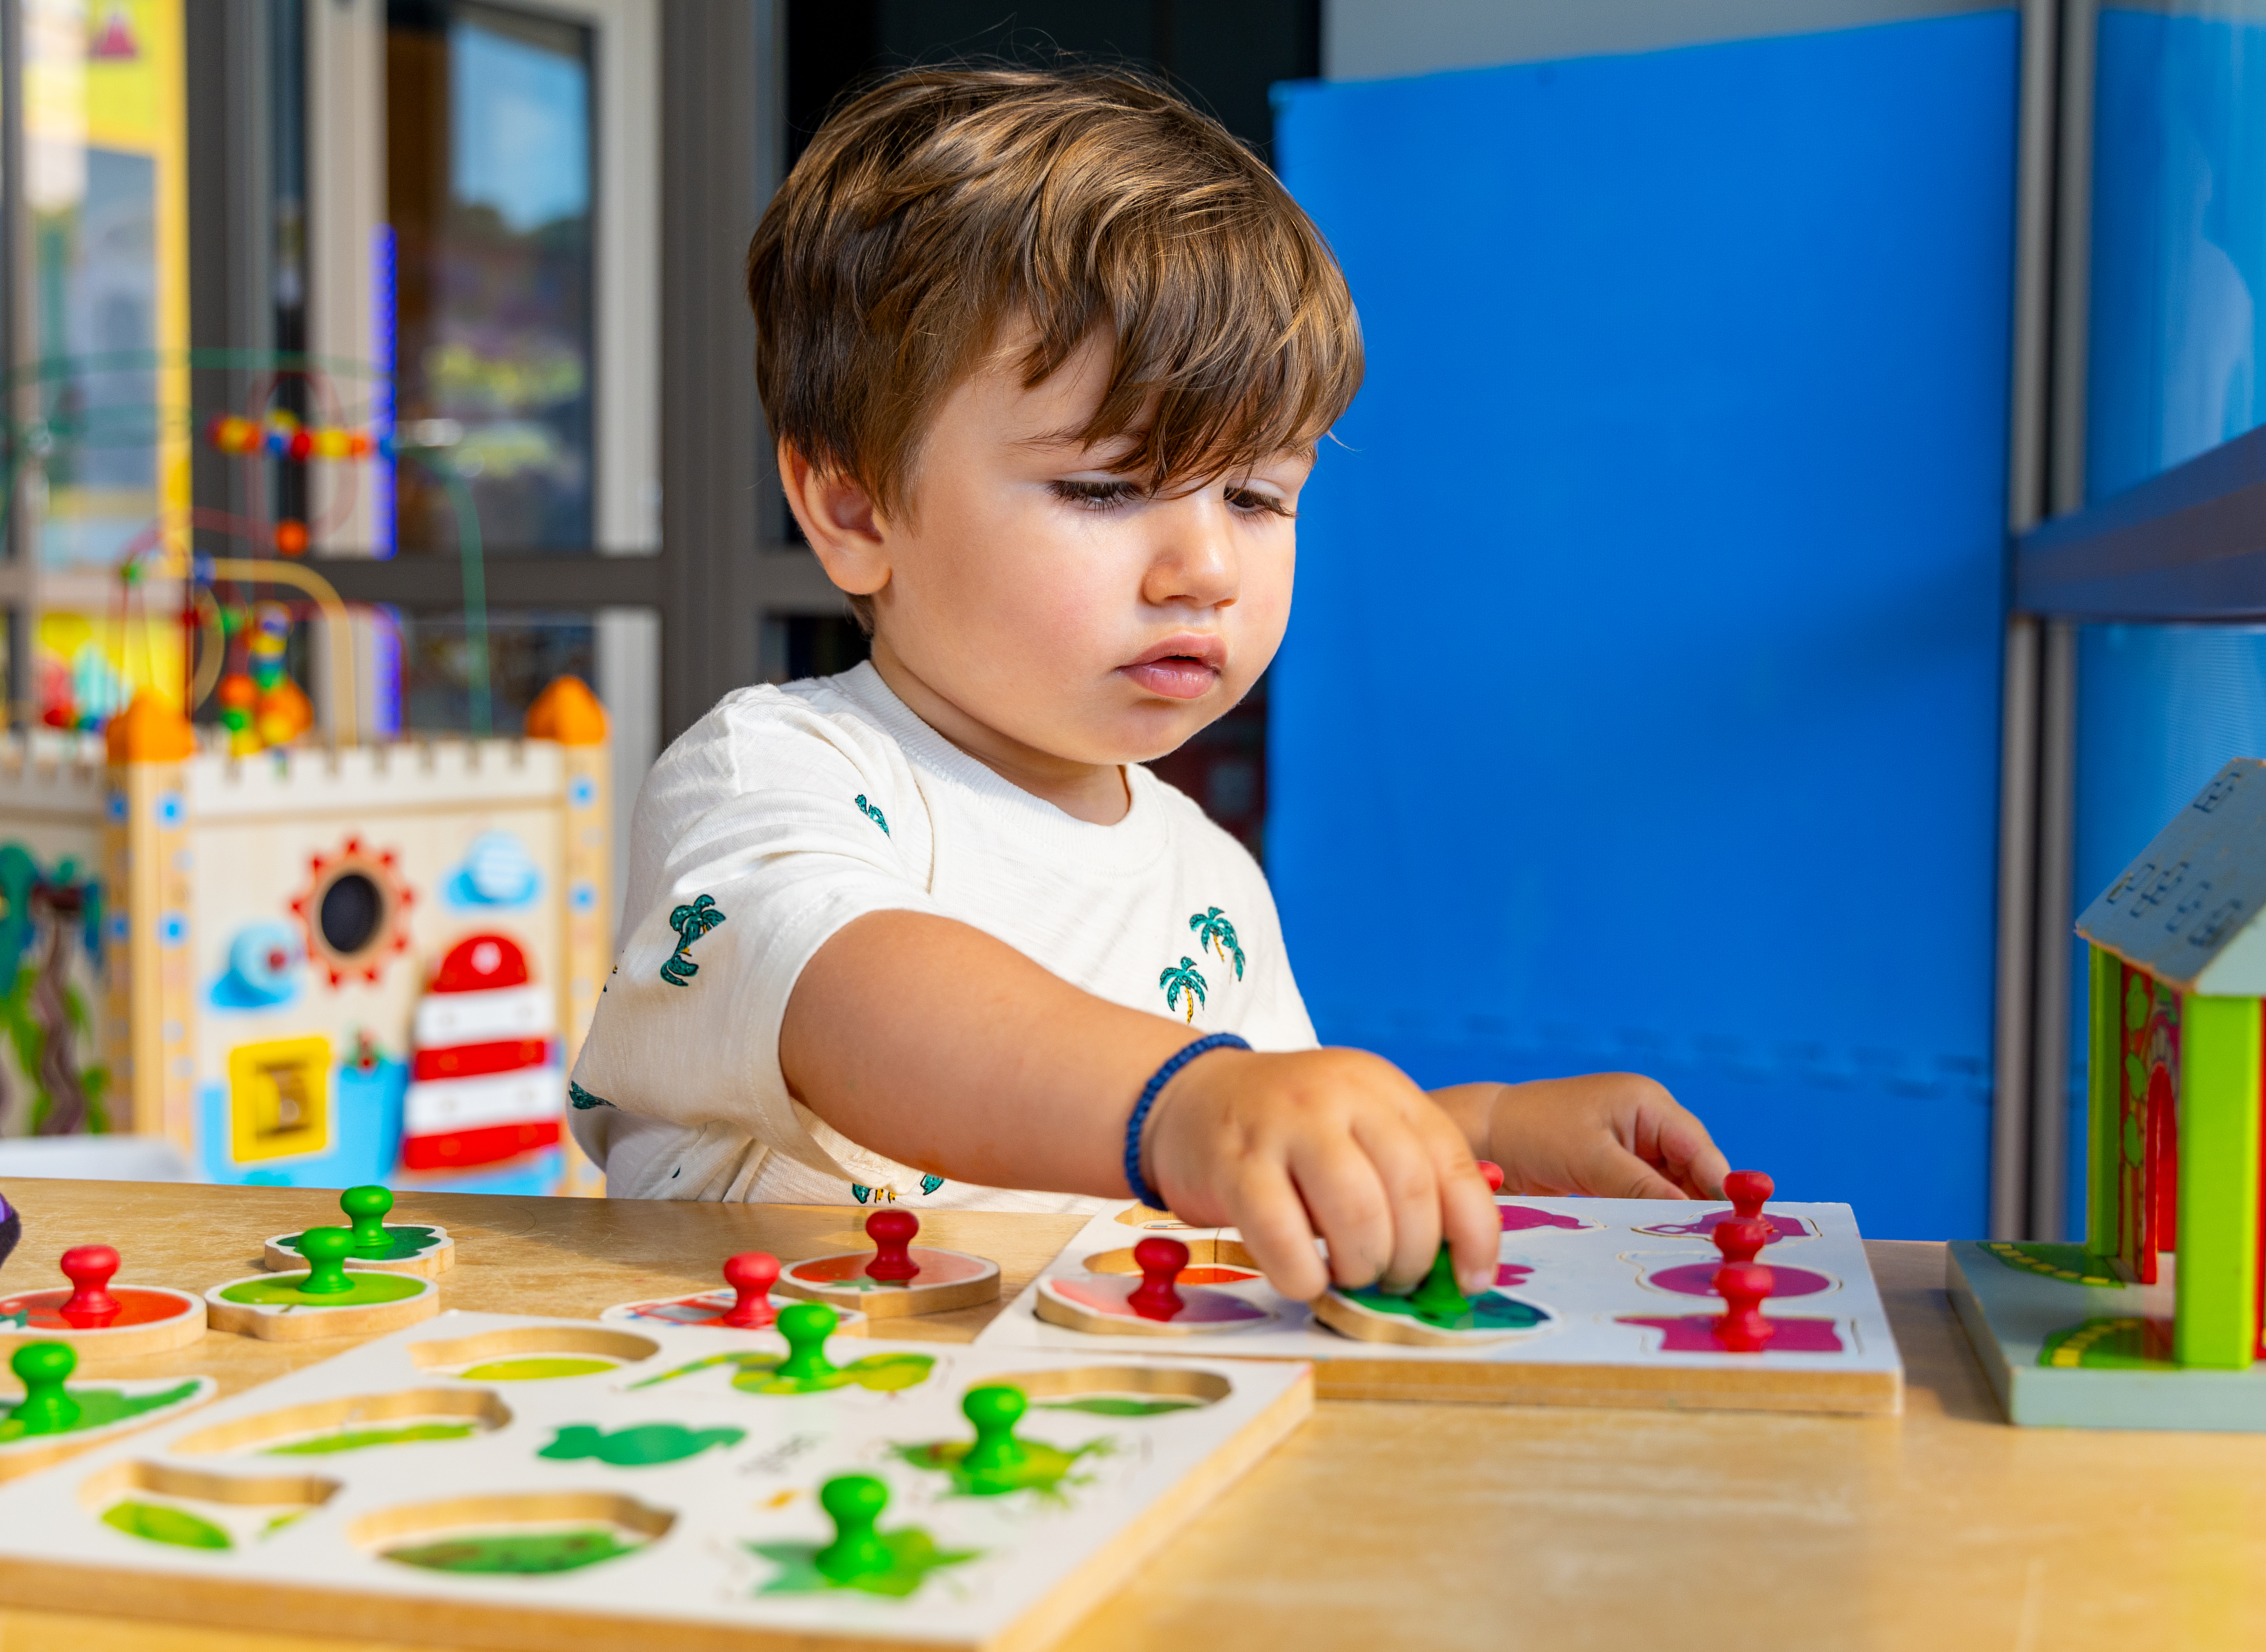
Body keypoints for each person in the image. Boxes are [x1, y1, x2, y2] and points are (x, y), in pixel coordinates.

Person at [569, 66, 1725, 1302]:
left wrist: (1466, 1137)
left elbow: (1231, 1149)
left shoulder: (1206, 878)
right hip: (771, 1439)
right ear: (854, 507)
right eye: (1106, 489)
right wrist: (1192, 1101)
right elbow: (851, 999)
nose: (1206, 568)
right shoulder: (783, 772)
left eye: (1257, 496)